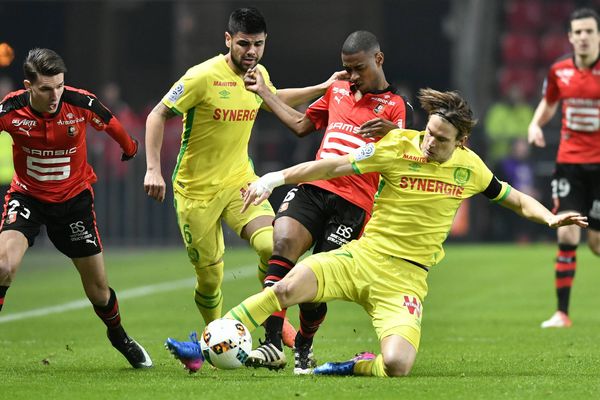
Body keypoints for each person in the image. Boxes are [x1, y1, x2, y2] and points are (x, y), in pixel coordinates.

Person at [164, 88, 587, 377]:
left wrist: (549, 218)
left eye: (440, 140)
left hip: (406, 278)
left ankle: (351, 366)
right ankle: (209, 343)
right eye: (428, 133)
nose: (428, 144)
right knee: (288, 284)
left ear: (462, 141)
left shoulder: (471, 168)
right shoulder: (398, 145)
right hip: (362, 258)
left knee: (399, 365)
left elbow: (512, 197)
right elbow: (332, 166)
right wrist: (275, 178)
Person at [145, 7, 342, 371]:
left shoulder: (258, 74)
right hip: (196, 191)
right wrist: (153, 169)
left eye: (259, 44)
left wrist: (322, 87)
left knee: (273, 246)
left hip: (240, 182)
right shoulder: (201, 77)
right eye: (244, 44)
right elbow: (157, 114)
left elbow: (273, 94)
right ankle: (214, 338)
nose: (252, 51)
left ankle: (273, 331)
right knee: (210, 278)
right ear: (228, 40)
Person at [241, 30, 412, 373]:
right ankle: (273, 342)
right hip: (314, 185)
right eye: (347, 69)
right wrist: (263, 93)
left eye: (358, 68)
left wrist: (393, 135)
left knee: (315, 280)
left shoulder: (396, 107)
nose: (352, 76)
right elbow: (302, 125)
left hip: (353, 203)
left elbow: (407, 154)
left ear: (378, 60)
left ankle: (303, 341)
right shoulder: (337, 90)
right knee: (284, 242)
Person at [0, 48, 152, 368]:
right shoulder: (9, 109)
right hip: (27, 198)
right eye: (45, 88)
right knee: (3, 267)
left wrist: (130, 148)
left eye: (59, 86)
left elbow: (111, 123)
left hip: (73, 204)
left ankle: (119, 335)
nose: (55, 95)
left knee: (98, 292)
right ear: (29, 86)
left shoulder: (79, 103)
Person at [528, 8, 600, 328]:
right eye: (578, 32)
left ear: (597, 36)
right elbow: (550, 102)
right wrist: (535, 124)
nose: (583, 37)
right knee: (567, 232)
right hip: (570, 162)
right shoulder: (559, 70)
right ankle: (562, 313)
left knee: (596, 243)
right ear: (570, 37)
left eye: (589, 32)